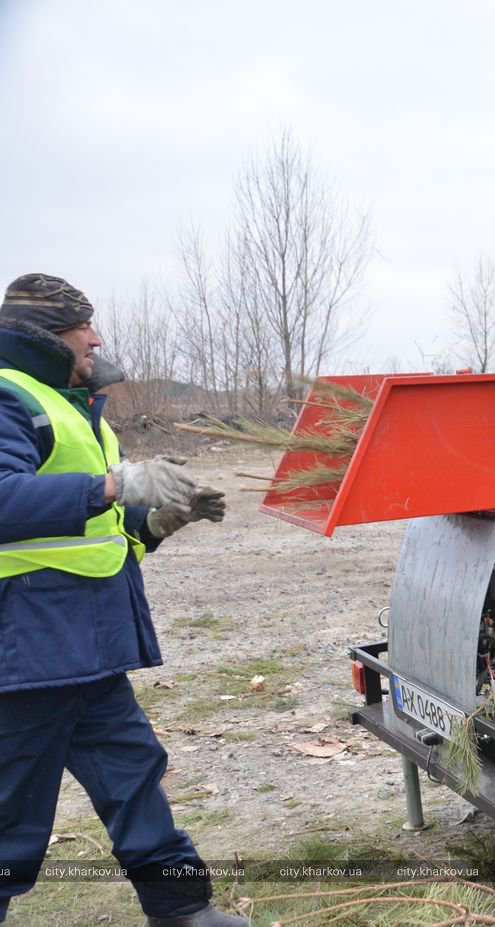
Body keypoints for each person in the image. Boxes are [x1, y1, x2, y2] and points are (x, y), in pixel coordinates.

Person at [0, 274, 244, 927]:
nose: (98, 337)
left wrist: (157, 523)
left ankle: (182, 908)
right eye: (85, 326)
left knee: (136, 781)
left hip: (89, 649)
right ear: (47, 335)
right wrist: (118, 481)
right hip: (24, 656)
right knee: (11, 819)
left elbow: (102, 535)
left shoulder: (76, 406)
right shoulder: (7, 397)